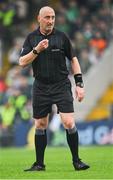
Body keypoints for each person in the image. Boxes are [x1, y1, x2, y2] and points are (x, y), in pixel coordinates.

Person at [19, 6, 90, 172]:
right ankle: (39, 164)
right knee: (40, 124)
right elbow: (22, 62)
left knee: (69, 121)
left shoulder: (62, 37)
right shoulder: (31, 38)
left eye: (53, 17)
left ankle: (77, 161)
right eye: (47, 17)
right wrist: (37, 50)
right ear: (39, 18)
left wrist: (79, 84)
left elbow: (73, 59)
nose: (50, 21)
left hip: (61, 84)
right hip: (41, 86)